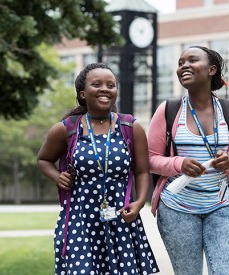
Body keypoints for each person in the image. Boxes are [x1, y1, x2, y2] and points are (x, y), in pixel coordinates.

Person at [37, 62, 159, 274]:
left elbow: (141, 170)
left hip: (121, 219)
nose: (105, 89)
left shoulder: (130, 127)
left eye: (111, 85)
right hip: (80, 221)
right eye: (97, 84)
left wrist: (139, 202)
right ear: (83, 93)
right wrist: (57, 177)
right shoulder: (68, 128)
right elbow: (43, 160)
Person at [148, 46, 229, 274]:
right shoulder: (168, 110)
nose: (183, 65)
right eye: (180, 62)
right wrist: (178, 164)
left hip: (221, 206)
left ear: (211, 69)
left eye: (192, 60)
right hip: (177, 208)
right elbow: (151, 159)